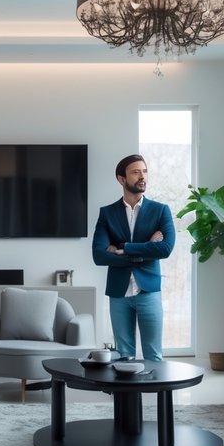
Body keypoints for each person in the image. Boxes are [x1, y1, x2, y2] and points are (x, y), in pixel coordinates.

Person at [91, 154, 175, 361]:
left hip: (149, 291)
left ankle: (157, 394)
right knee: (123, 356)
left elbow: (165, 249)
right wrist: (146, 249)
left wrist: (123, 248)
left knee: (153, 355)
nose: (142, 176)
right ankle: (127, 395)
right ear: (122, 179)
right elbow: (98, 255)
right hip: (118, 293)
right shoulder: (107, 213)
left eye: (144, 171)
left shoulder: (160, 211)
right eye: (136, 172)